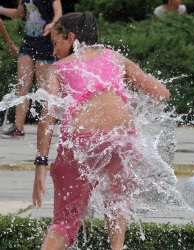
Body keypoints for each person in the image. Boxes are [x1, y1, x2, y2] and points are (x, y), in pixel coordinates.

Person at [32, 11, 171, 250]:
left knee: (65, 222)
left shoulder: (58, 68)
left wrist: (41, 164)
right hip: (122, 141)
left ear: (71, 37)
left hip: (82, 144)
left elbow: (48, 115)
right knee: (117, 204)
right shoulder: (115, 58)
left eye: (56, 43)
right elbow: (161, 94)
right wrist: (132, 103)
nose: (54, 52)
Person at [0, 0, 62, 138]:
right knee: (22, 84)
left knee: (43, 88)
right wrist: (2, 10)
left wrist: (53, 24)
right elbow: (18, 14)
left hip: (46, 44)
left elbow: (59, 14)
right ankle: (18, 127)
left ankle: (48, 125)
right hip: (28, 43)